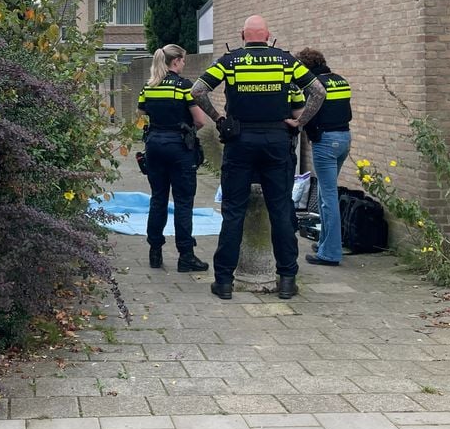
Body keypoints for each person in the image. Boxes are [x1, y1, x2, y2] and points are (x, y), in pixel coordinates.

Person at [191, 15, 327, 300]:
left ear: (243, 35)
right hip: (277, 141)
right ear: (268, 36)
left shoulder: (231, 61)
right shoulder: (286, 61)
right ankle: (287, 279)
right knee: (280, 210)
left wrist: (219, 118)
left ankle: (224, 282)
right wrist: (300, 122)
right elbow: (318, 91)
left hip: (240, 141)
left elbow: (198, 90)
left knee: (233, 211)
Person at [137, 44, 211, 272]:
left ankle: (155, 252)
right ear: (176, 61)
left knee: (158, 199)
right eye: (184, 61)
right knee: (183, 202)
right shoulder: (184, 87)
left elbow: (140, 115)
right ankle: (185, 256)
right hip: (179, 148)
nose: (184, 64)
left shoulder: (149, 87)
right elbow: (200, 121)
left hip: (155, 146)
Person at [288, 48, 352, 267]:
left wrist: (298, 123)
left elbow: (308, 113)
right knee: (328, 193)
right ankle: (326, 242)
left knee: (328, 197)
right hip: (344, 139)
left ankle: (330, 253)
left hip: (325, 142)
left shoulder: (314, 85)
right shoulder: (340, 80)